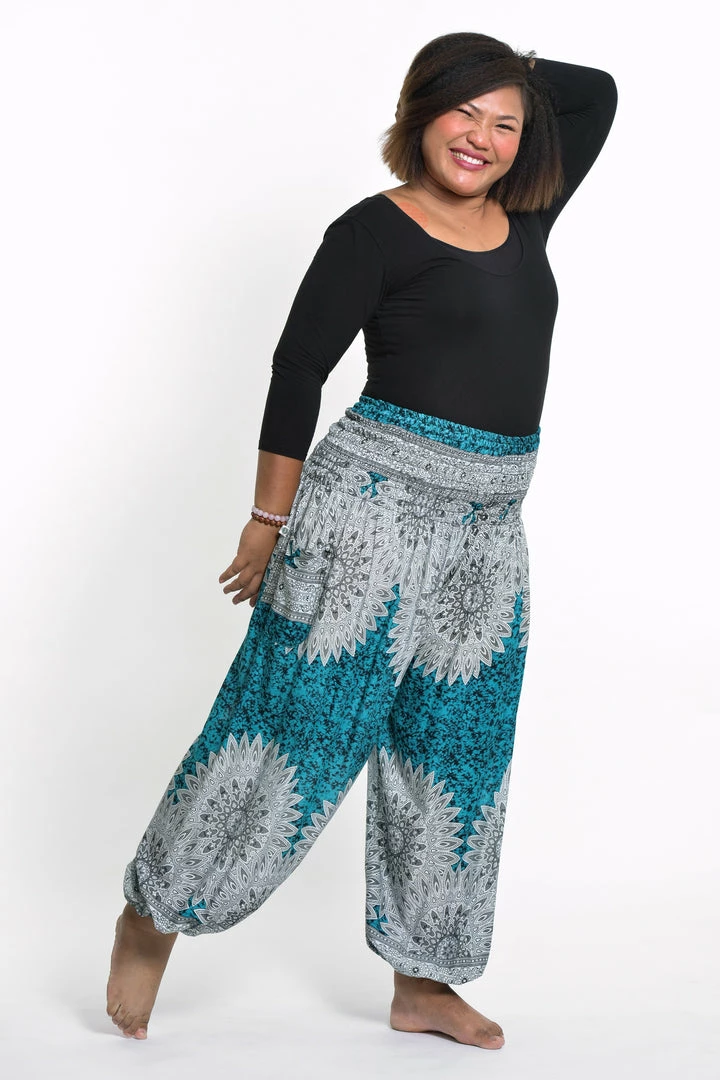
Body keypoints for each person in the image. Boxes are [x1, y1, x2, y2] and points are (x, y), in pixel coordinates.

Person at [106, 31, 617, 1048]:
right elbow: (297, 370)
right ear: (420, 111)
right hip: (366, 521)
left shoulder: (527, 215)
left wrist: (506, 73)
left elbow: (594, 93)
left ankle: (424, 981)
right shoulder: (371, 232)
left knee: (457, 756)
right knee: (290, 737)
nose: (481, 138)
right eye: (462, 111)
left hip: (488, 535)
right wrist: (269, 520)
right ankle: (154, 914)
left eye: (505, 123)